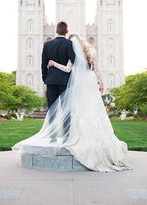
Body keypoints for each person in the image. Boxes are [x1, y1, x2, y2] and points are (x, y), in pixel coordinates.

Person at [12, 33, 132, 172]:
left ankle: (79, 135)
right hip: (91, 80)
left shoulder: (74, 53)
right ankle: (97, 136)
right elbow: (97, 68)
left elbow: (68, 69)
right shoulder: (92, 51)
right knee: (93, 109)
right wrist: (101, 82)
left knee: (79, 109)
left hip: (80, 83)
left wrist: (53, 63)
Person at [41, 21, 75, 143]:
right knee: (66, 108)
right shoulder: (69, 44)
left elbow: (43, 64)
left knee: (52, 110)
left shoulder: (47, 45)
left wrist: (45, 79)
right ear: (66, 32)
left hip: (51, 82)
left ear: (56, 30)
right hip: (65, 82)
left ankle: (53, 137)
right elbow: (74, 61)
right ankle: (66, 137)